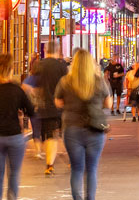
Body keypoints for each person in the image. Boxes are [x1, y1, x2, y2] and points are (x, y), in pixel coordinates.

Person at [56, 49, 111, 200]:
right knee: (91, 169)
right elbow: (108, 103)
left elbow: (58, 102)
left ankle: (77, 198)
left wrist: (69, 105)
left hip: (72, 128)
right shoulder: (98, 81)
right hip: (94, 129)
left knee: (77, 169)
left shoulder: (65, 81)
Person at [0, 53, 36, 200]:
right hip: (14, 136)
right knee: (14, 174)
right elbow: (31, 110)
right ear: (12, 68)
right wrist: (20, 114)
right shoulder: (17, 90)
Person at [34, 45, 70, 175]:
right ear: (58, 51)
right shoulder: (62, 66)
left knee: (49, 135)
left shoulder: (39, 65)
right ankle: (72, 160)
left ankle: (49, 164)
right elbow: (67, 85)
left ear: (45, 50)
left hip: (44, 106)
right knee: (65, 133)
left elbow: (34, 85)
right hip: (61, 104)